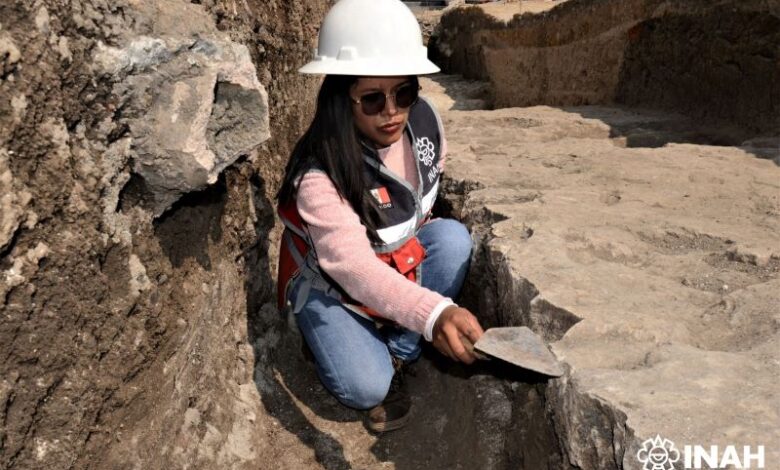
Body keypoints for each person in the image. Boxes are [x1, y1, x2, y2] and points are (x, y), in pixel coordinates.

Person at [275, 0, 484, 433]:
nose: (392, 111)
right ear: (342, 99)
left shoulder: (424, 127)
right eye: (372, 99)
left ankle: (398, 351)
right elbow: (351, 267)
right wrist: (433, 314)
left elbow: (423, 210)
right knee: (366, 387)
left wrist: (421, 313)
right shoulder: (320, 175)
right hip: (334, 287)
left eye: (403, 93)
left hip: (392, 264)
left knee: (452, 240)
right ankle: (336, 339)